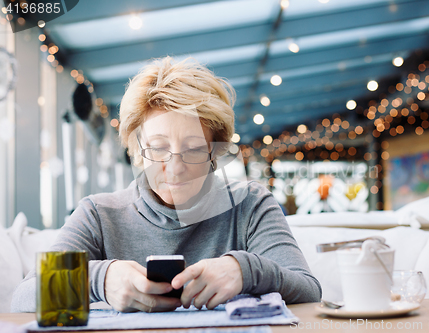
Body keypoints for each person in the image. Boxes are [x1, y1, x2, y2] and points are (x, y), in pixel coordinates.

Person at [11, 57, 321, 313]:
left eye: (195, 148)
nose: (175, 167)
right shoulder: (98, 213)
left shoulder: (249, 204)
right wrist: (101, 280)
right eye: (158, 148)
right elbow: (23, 297)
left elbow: (308, 290)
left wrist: (244, 271)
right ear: (137, 150)